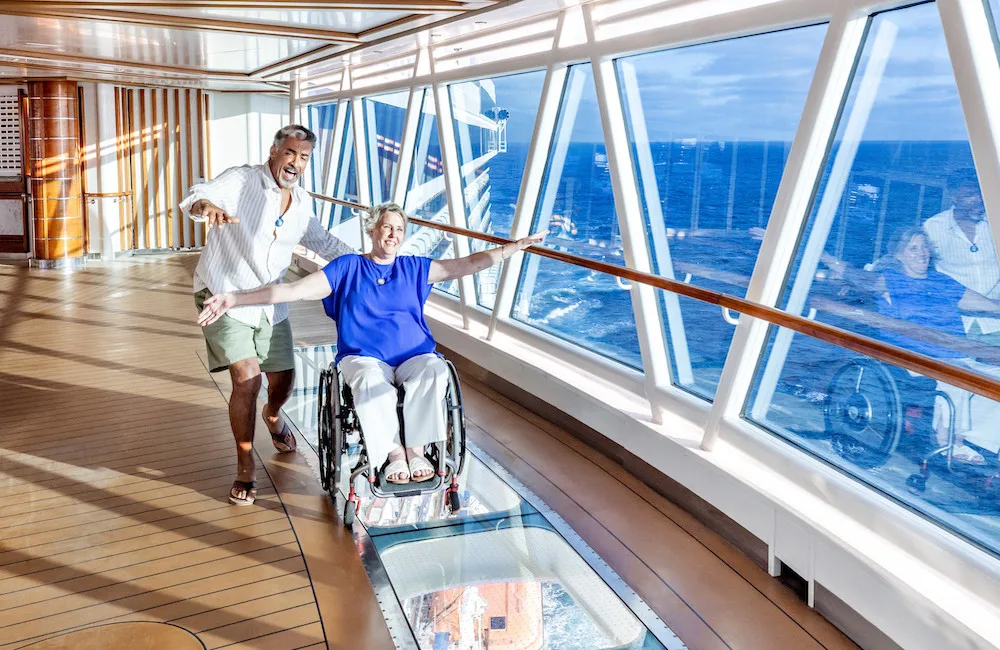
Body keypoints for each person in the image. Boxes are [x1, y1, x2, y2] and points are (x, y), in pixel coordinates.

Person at [196, 203, 544, 484]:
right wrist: (235, 299)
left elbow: (467, 264)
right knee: (369, 381)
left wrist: (512, 249)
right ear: (373, 229)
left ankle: (417, 451)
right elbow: (292, 290)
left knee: (436, 370)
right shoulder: (348, 267)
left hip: (414, 354)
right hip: (363, 358)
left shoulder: (415, 268)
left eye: (399, 230)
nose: (392, 235)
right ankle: (393, 454)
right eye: (387, 227)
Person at [180, 124, 355, 506]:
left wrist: (369, 264)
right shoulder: (243, 181)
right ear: (274, 151)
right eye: (290, 153)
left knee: (283, 380)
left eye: (304, 157)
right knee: (247, 379)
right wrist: (205, 208)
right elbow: (198, 195)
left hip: (269, 301)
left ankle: (273, 415)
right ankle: (245, 466)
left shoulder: (303, 201)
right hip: (223, 291)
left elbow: (322, 242)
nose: (296, 162)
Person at [874, 226, 1000, 462]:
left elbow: (984, 303)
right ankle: (950, 442)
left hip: (954, 353)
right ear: (899, 255)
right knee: (960, 376)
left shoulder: (941, 281)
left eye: (924, 246)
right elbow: (860, 281)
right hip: (912, 355)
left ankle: (979, 439)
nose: (922, 253)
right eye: (913, 248)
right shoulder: (890, 280)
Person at [923, 170, 1000, 346]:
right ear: (953, 196)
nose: (978, 200)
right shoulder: (934, 227)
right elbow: (909, 259)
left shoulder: (996, 222)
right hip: (953, 324)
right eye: (969, 195)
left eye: (980, 193)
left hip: (996, 324)